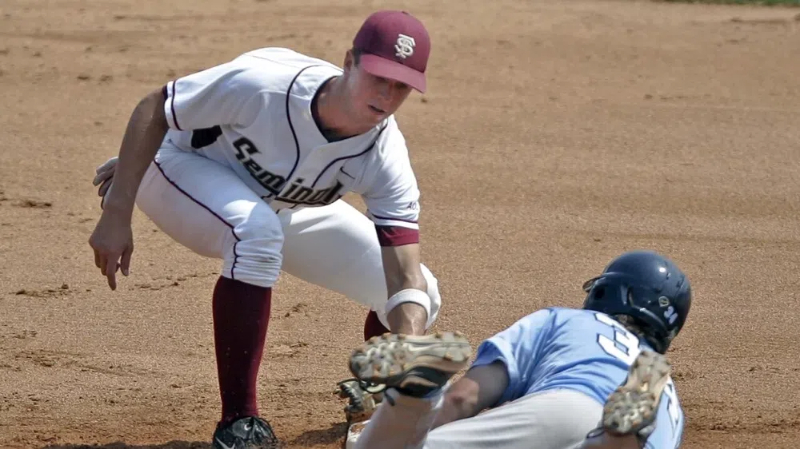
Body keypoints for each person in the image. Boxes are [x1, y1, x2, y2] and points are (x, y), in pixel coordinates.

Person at [88, 10, 451, 449]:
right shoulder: (266, 85)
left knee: (422, 295)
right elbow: (154, 108)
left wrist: (403, 356)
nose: (387, 96)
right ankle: (239, 423)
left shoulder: (385, 153)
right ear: (350, 61)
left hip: (281, 206)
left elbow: (403, 272)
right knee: (255, 233)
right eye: (379, 77)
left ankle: (372, 404)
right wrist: (119, 208)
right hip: (175, 169)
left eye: (402, 87)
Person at [343, 250, 690, 449]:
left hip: (566, 406)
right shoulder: (671, 398)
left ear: (605, 291)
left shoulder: (566, 321)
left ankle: (419, 393)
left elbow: (464, 399)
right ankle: (617, 440)